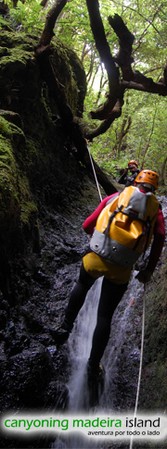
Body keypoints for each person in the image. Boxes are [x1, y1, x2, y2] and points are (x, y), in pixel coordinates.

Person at [50, 170, 165, 396]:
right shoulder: (156, 211)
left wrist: (98, 238)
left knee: (82, 285)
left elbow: (86, 226)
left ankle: (64, 327)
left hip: (96, 257)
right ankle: (93, 365)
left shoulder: (115, 198)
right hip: (121, 269)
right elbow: (160, 239)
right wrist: (149, 271)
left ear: (135, 181)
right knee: (104, 316)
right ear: (154, 189)